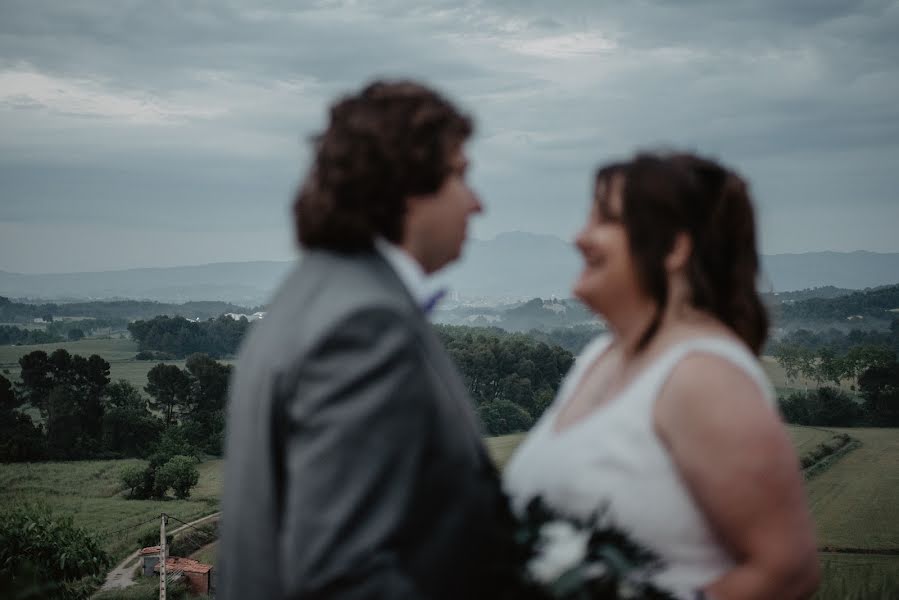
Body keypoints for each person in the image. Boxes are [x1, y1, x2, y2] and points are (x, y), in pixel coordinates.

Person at [218, 80, 512, 599]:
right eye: (461, 177)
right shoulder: (363, 326)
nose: (478, 204)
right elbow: (342, 577)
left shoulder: (310, 294)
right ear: (407, 187)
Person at [503, 152, 820, 599]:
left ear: (674, 247)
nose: (579, 238)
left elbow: (786, 571)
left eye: (605, 220)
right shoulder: (599, 357)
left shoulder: (705, 378)